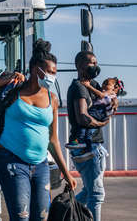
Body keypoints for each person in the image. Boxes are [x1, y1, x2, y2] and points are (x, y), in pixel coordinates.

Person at [0, 38, 77, 221]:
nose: (52, 77)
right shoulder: (14, 90)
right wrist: (5, 80)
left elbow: (53, 140)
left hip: (41, 166)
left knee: (41, 217)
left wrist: (67, 173)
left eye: (55, 73)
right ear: (36, 69)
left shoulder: (52, 99)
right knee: (21, 218)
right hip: (12, 163)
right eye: (49, 72)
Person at [66, 51, 117, 221]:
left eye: (96, 62)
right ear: (79, 66)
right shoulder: (79, 87)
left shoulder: (92, 84)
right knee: (96, 194)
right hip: (86, 146)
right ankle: (64, 213)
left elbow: (107, 97)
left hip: (94, 144)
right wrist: (101, 123)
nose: (95, 66)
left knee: (89, 190)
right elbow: (82, 117)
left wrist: (113, 101)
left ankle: (64, 213)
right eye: (90, 63)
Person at [66, 77, 123, 162]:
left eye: (107, 83)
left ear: (115, 88)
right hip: (98, 111)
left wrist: (88, 86)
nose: (103, 85)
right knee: (88, 132)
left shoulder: (110, 92)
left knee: (84, 123)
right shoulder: (108, 93)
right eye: (104, 82)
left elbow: (101, 95)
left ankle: (77, 142)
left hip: (99, 111)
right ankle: (88, 149)